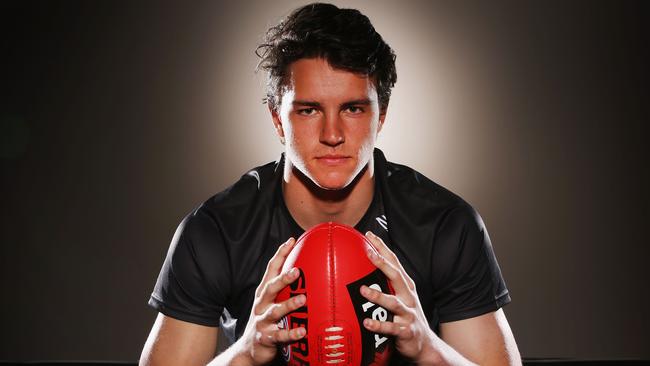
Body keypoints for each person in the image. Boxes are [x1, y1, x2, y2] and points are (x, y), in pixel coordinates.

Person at [140, 3, 521, 365]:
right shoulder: (219, 230)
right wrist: (246, 353)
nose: (332, 134)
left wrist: (427, 348)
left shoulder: (443, 224)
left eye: (353, 108)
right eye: (309, 110)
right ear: (277, 120)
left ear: (381, 116)